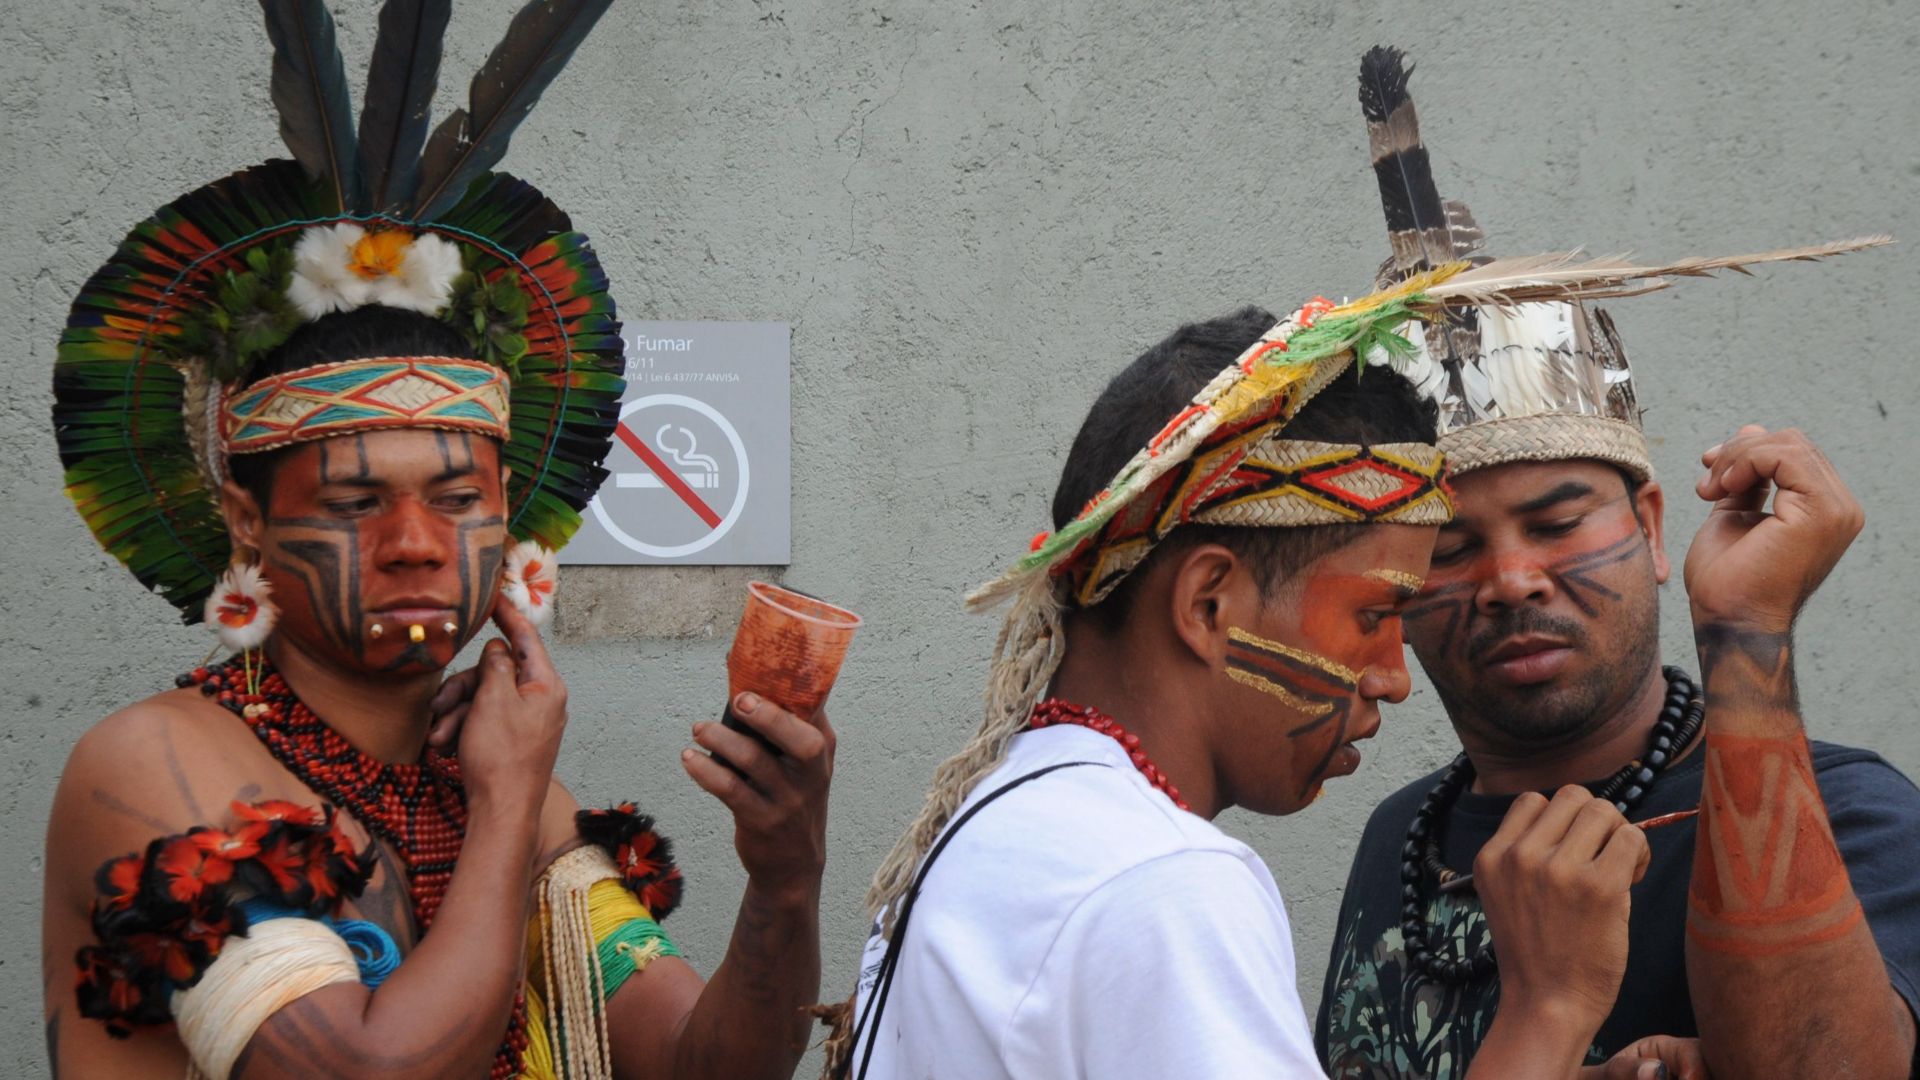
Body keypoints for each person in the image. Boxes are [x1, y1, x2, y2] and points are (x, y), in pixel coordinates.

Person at [41, 4, 832, 1077]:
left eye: (459, 499)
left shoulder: (508, 800)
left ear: (510, 522)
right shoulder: (154, 763)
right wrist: (506, 801)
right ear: (246, 522)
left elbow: (707, 1068)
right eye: (359, 504)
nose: (418, 543)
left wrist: (786, 876)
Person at [817, 287, 1709, 1079]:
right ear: (1208, 603)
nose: (1396, 680)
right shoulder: (1162, 884)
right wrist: (1547, 1011)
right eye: (1371, 616)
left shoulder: (1006, 820)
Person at [1317, 46, 1919, 1079]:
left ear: (1650, 527)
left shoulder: (1848, 812)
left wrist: (1746, 631)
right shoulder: (1398, 846)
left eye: (1556, 523)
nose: (1511, 581)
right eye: (1450, 549)